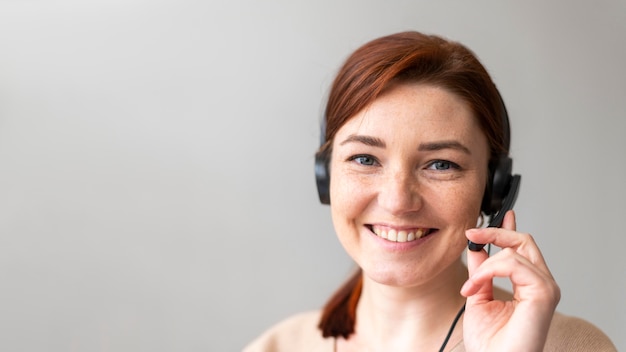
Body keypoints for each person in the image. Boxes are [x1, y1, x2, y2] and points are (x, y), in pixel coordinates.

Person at [244, 31, 616, 351]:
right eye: (364, 159)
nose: (397, 201)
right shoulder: (277, 346)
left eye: (441, 165)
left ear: (494, 189)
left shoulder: (570, 345)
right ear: (325, 177)